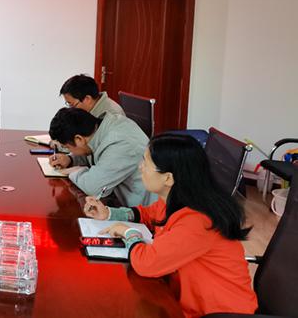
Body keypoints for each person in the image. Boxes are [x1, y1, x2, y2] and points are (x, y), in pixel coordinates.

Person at [84, 134, 257, 318]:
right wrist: (109, 214)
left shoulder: (198, 221)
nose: (140, 167)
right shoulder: (179, 200)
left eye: (146, 163)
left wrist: (128, 233)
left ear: (168, 178)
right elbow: (148, 214)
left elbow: (147, 264)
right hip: (185, 302)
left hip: (219, 313)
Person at [48, 107, 153, 207]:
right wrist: (70, 159)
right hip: (121, 201)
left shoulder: (120, 143)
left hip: (145, 213)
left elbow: (94, 188)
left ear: (79, 139)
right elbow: (92, 151)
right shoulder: (101, 128)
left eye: (67, 147)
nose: (69, 151)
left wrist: (75, 171)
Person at [59, 74, 124, 118]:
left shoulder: (112, 116)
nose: (71, 109)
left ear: (87, 99)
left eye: (72, 104)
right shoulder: (88, 109)